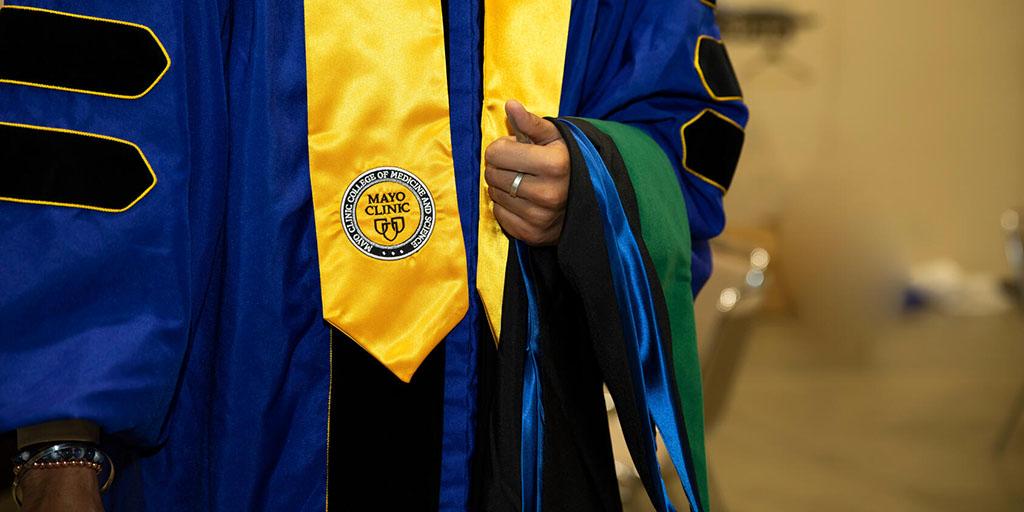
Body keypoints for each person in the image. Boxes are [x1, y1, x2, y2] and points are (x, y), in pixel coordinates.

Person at [0, 0, 747, 510]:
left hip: (513, 421)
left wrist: (590, 180)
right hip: (242, 403)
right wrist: (60, 440)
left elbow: (683, 116)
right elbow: (87, 124)